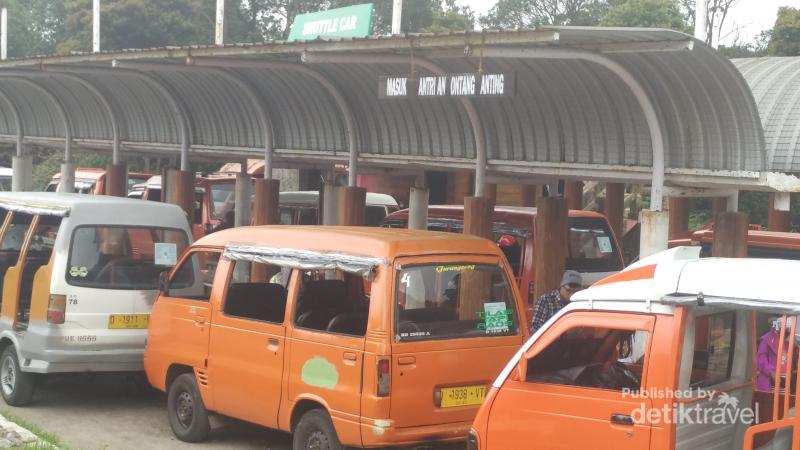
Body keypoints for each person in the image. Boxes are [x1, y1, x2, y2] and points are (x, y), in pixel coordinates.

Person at [756, 316, 794, 392]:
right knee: (771, 402)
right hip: (771, 379)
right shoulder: (767, 339)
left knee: (783, 402)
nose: (789, 331)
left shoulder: (790, 340)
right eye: (787, 329)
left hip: (786, 380)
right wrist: (771, 372)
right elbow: (761, 357)